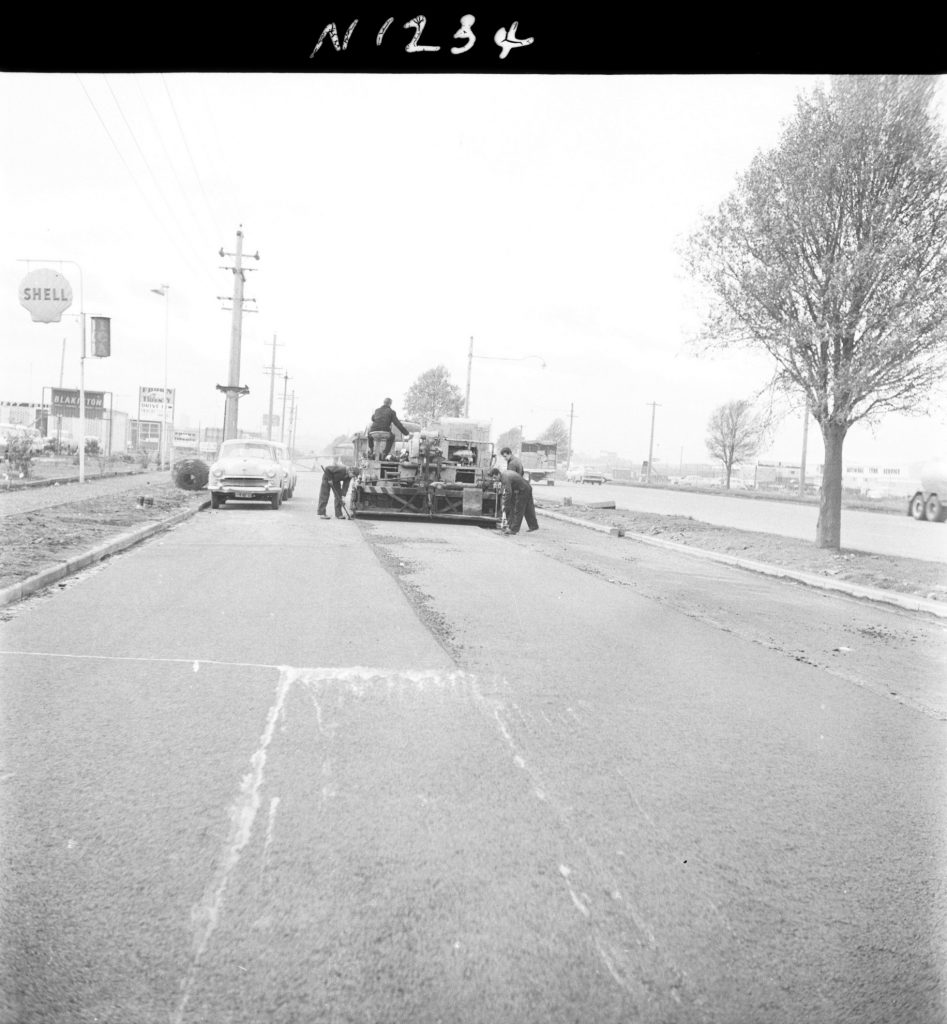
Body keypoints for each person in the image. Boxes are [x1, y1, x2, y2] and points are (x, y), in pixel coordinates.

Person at [488, 467, 538, 534]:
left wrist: (505, 505)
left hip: (523, 490)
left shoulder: (504, 478)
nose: (495, 480)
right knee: (528, 508)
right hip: (526, 487)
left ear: (498, 474)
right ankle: (533, 526)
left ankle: (514, 530)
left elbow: (509, 492)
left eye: (495, 477)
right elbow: (511, 490)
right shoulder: (505, 474)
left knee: (518, 509)